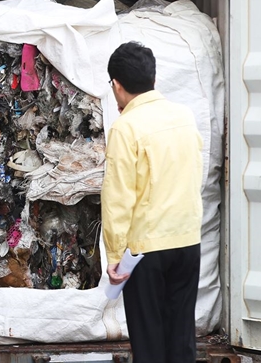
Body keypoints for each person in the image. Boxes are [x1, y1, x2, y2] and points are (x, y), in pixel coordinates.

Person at [102, 41, 203, 363]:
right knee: (181, 337)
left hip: (146, 250)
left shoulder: (126, 128)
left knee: (149, 344)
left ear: (117, 85)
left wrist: (116, 255)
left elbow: (118, 199)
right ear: (153, 79)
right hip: (188, 241)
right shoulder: (184, 116)